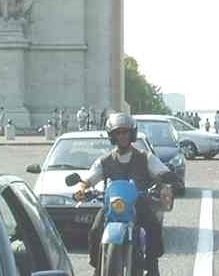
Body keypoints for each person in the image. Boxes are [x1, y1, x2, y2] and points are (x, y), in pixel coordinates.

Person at [74, 112, 174, 276]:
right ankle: (99, 267)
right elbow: (89, 178)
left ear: (132, 134)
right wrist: (81, 187)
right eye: (118, 133)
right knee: (95, 230)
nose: (122, 136)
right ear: (112, 136)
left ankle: (152, 266)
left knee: (153, 226)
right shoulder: (104, 161)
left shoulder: (145, 158)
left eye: (125, 132)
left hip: (138, 203)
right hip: (112, 206)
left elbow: (162, 172)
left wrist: (166, 184)